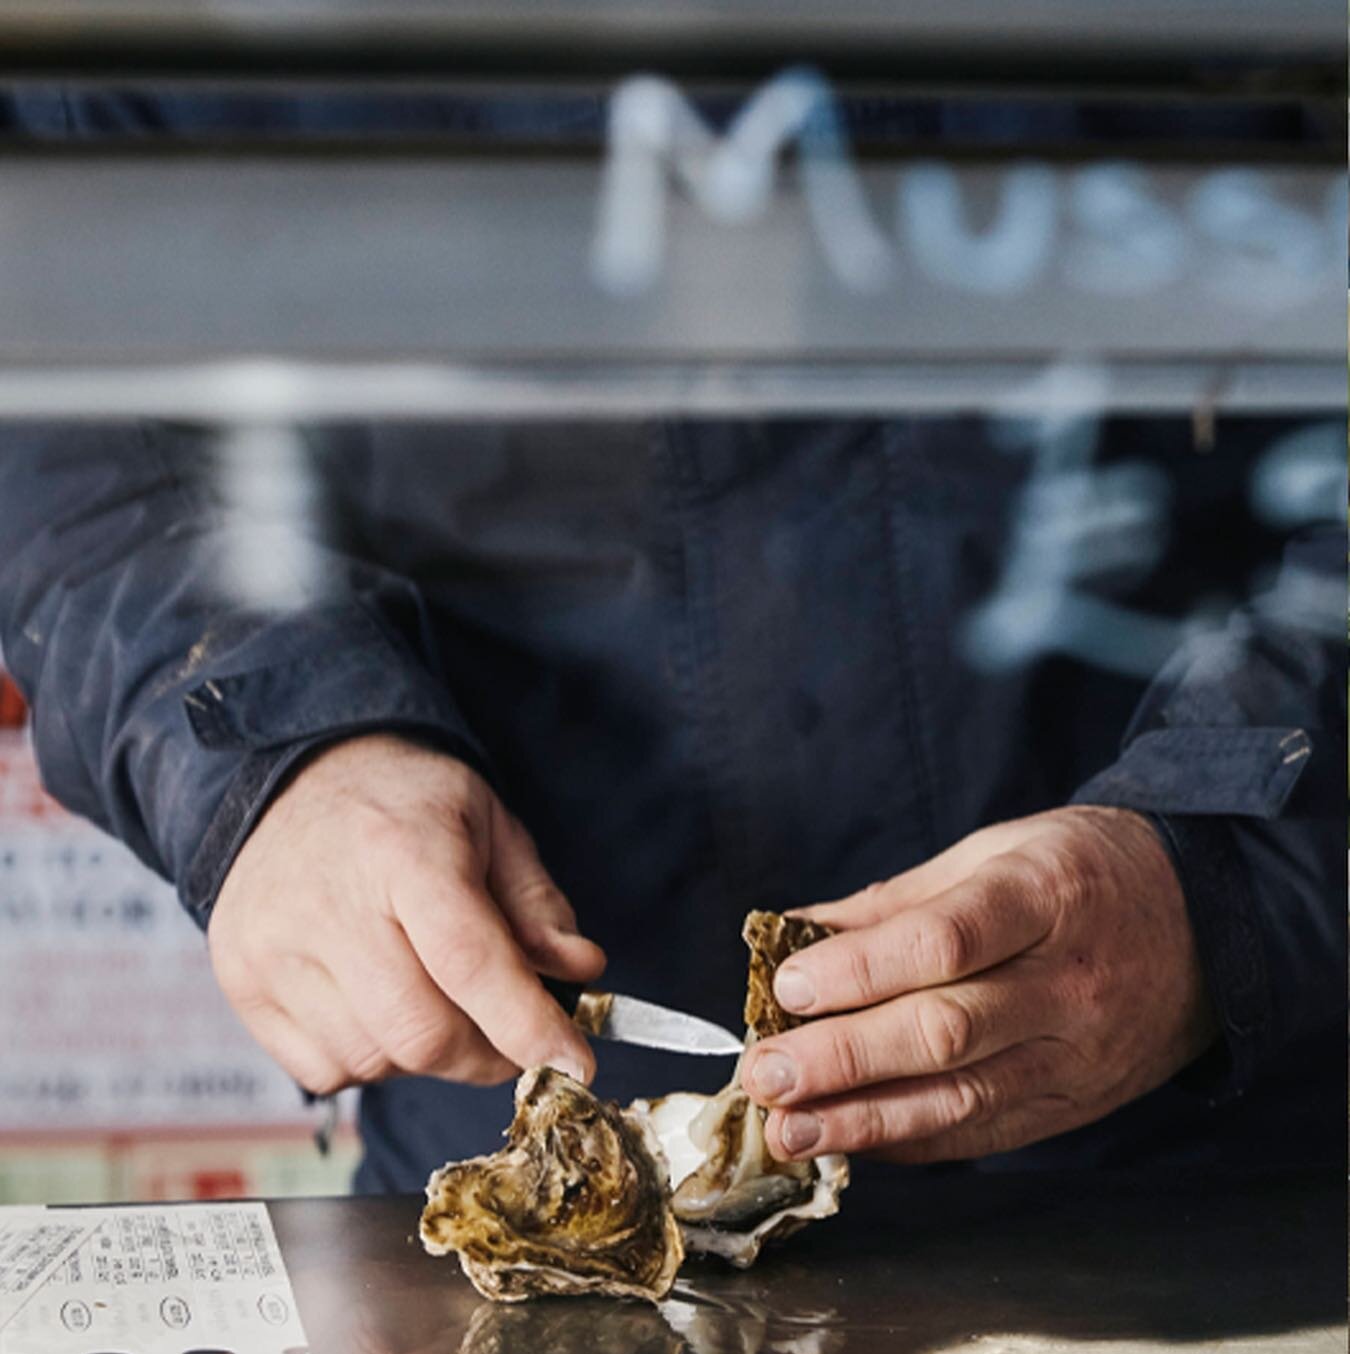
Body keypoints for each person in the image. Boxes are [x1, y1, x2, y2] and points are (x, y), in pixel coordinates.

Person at [0, 87, 1342, 1193]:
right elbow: (51, 366)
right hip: (538, 1167)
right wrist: (268, 751)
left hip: (1231, 1144)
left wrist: (1236, 858)